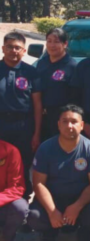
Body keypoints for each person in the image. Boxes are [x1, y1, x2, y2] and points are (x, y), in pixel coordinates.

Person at [27, 104, 90, 241]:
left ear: (82, 125)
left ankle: (84, 232)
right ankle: (50, 232)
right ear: (58, 125)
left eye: (74, 122)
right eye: (65, 121)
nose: (70, 126)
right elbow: (38, 183)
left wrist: (76, 206)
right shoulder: (45, 149)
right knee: (34, 216)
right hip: (54, 199)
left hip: (80, 199)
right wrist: (52, 211)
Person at [0, 32, 42, 197]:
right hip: (1, 124)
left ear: (24, 51)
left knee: (24, 165)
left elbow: (37, 105)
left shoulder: (31, 72)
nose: (13, 51)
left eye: (17, 47)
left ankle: (22, 202)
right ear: (3, 48)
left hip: (24, 126)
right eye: (9, 47)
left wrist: (36, 133)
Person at [37, 28, 77, 140]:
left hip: (60, 118)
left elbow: (75, 97)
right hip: (40, 116)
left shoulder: (72, 66)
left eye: (56, 41)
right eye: (49, 41)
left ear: (65, 44)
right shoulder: (42, 63)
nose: (52, 45)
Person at [0, 140, 28, 241]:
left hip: (3, 203)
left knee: (20, 207)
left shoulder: (11, 151)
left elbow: (16, 187)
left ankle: (5, 237)